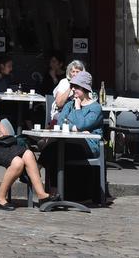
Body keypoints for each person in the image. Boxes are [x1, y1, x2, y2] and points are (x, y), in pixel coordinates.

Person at [38, 70, 105, 202]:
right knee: (56, 149)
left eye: (77, 87)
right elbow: (61, 122)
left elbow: (80, 124)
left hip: (89, 146)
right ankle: (53, 192)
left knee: (55, 149)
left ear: (85, 89)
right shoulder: (69, 105)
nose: (73, 89)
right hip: (68, 143)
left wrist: (78, 108)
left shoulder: (95, 108)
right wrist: (76, 128)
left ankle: (37, 172)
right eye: (72, 86)